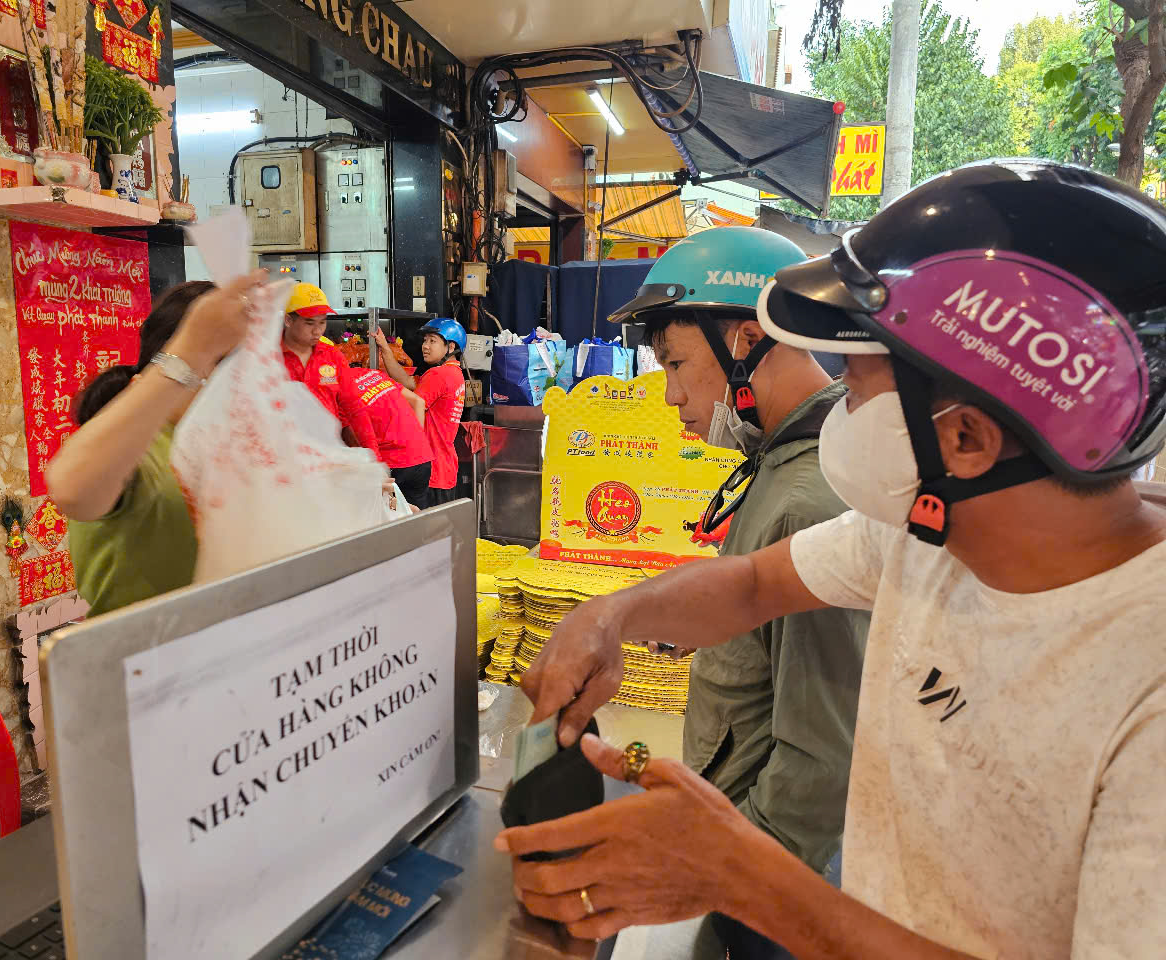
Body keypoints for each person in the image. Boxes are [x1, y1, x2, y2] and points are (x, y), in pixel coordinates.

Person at [497, 160, 1166, 958]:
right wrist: (610, 617)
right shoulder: (928, 535)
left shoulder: (1143, 683)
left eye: (854, 381)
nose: (835, 402)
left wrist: (736, 874)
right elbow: (752, 584)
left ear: (966, 438)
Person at [609, 226, 867, 957]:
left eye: (677, 364)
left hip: (774, 875)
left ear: (747, 341)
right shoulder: (779, 462)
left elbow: (824, 758)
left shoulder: (809, 498)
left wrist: (730, 879)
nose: (669, 395)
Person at [48, 273, 264, 617]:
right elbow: (72, 490)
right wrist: (194, 349)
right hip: (143, 661)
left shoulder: (241, 445)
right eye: (228, 364)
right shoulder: (142, 442)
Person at [282, 283, 382, 462]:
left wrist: (374, 458)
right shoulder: (269, 357)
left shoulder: (332, 356)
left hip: (327, 457)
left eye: (322, 322)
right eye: (309, 323)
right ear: (288, 320)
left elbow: (354, 408)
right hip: (284, 459)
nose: (317, 330)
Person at [374, 318, 467, 505]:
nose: (425, 346)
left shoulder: (438, 375)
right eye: (425, 340)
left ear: (450, 347)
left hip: (431, 470)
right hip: (445, 468)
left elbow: (412, 404)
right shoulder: (454, 373)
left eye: (432, 341)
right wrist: (385, 348)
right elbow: (407, 382)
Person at [351, 366, 433, 509]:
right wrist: (416, 441)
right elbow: (418, 402)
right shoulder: (375, 374)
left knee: (390, 516)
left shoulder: (344, 390)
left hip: (394, 464)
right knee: (418, 520)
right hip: (421, 457)